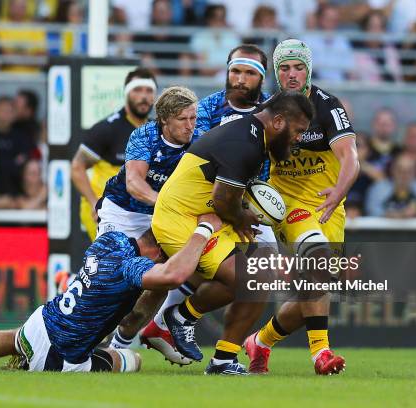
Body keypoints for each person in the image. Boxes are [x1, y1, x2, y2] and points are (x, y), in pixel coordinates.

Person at [0, 212, 224, 372]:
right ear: (157, 249)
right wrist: (204, 229)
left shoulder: (109, 241)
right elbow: (173, 274)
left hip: (43, 320)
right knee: (132, 361)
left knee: (15, 337)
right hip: (62, 356)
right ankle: (27, 364)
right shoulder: (131, 268)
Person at [122, 44, 275, 362]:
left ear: (262, 78)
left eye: (249, 73)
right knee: (154, 278)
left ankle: (186, 329)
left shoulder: (272, 114)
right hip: (202, 204)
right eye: (236, 71)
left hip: (240, 205)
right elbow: (213, 161)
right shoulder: (205, 111)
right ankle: (131, 335)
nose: (241, 79)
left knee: (259, 275)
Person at [154, 91, 312, 375]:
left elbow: (226, 200)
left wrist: (239, 215)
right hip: (180, 219)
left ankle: (223, 358)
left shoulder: (253, 136)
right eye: (298, 130)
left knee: (262, 276)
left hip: (210, 216)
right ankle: (178, 317)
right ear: (278, 121)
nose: (299, 138)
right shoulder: (246, 143)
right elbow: (224, 199)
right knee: (247, 277)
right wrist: (242, 217)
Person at [244, 39, 359, 375]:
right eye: (284, 67)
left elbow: (350, 156)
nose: (291, 74)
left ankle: (260, 342)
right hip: (287, 204)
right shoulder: (268, 111)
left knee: (316, 286)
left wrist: (338, 192)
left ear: (308, 69)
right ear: (276, 73)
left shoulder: (328, 106)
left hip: (328, 203)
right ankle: (321, 353)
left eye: (298, 67)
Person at [96, 86, 197, 240]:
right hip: (123, 211)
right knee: (111, 262)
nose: (190, 126)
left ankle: (244, 261)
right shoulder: (144, 136)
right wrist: (167, 204)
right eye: (182, 119)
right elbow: (133, 182)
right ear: (164, 119)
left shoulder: (200, 139)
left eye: (193, 118)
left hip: (162, 215)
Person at [71, 68, 156, 241]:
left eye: (149, 91)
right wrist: (94, 202)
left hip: (136, 211)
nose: (144, 96)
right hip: (105, 209)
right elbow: (76, 167)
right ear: (126, 94)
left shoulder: (155, 130)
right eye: (137, 90)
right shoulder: (108, 128)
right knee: (111, 261)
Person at [0, 95, 36, 180]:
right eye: (3, 111)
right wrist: (12, 162)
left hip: (16, 184)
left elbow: (26, 161)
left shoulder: (22, 137)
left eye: (10, 111)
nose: (7, 114)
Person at [365, 153, 416, 218]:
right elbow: (371, 211)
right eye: (400, 170)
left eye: (408, 171)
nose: (404, 175)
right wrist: (395, 215)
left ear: (414, 172)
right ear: (393, 170)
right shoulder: (378, 189)